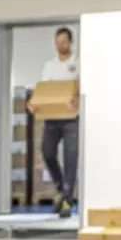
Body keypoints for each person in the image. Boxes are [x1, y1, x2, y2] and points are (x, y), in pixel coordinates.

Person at [32, 26, 80, 218]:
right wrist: (34, 104)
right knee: (47, 152)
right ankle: (62, 190)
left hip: (71, 119)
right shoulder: (49, 66)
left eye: (64, 42)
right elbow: (44, 90)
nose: (61, 45)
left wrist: (78, 98)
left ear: (71, 42)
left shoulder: (78, 63)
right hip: (52, 118)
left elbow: (81, 86)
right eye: (58, 42)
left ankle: (67, 200)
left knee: (71, 158)